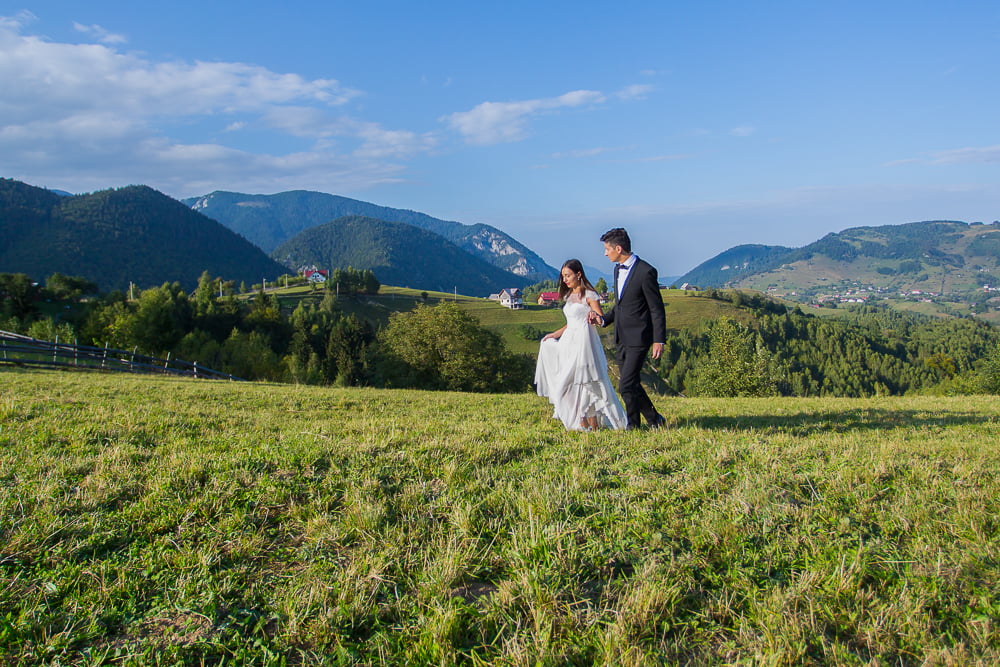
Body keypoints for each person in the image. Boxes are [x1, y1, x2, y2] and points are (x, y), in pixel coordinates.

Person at [534, 259, 627, 431]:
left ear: (578, 274)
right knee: (570, 384)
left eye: (568, 276)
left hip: (584, 345)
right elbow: (571, 323)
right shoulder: (569, 295)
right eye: (563, 276)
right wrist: (555, 334)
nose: (565, 280)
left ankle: (594, 424)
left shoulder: (590, 295)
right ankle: (583, 423)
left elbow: (600, 319)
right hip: (568, 343)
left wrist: (594, 316)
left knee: (586, 384)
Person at [589, 228, 667, 429]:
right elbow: (620, 306)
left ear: (618, 248)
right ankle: (644, 422)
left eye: (607, 249)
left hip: (639, 337)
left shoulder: (646, 272)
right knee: (631, 384)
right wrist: (603, 320)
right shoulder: (617, 270)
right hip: (621, 336)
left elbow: (656, 309)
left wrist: (659, 339)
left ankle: (644, 422)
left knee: (625, 384)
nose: (605, 253)